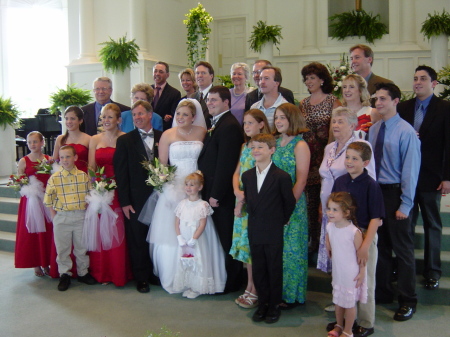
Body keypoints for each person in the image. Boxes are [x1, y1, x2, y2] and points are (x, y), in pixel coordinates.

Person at [369, 82, 420, 321]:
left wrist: (405, 204)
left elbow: (410, 171)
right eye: (376, 99)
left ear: (395, 101)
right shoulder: (375, 129)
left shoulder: (406, 131)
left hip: (396, 193)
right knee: (380, 247)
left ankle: (408, 300)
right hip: (378, 193)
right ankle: (384, 292)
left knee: (403, 251)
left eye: (383, 99)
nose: (378, 103)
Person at [398, 65, 450, 290]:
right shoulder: (403, 107)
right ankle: (404, 268)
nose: (417, 82)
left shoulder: (445, 108)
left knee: (432, 224)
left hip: (432, 176)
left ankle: (433, 271)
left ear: (434, 83)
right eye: (415, 78)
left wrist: (447, 177)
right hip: (406, 176)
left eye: (423, 79)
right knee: (406, 224)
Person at [147, 99, 207, 294]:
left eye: (185, 114)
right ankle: (173, 273)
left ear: (194, 117)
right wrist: (165, 185)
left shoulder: (202, 132)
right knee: (174, 231)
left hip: (195, 186)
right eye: (178, 114)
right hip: (174, 187)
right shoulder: (167, 135)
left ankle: (196, 276)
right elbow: (162, 164)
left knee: (197, 226)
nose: (181, 118)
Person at [329, 142, 385, 337]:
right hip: (341, 234)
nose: (349, 161)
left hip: (363, 235)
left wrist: (365, 247)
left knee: (364, 279)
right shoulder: (340, 181)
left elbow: (375, 219)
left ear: (366, 162)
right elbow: (333, 209)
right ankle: (344, 320)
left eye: (355, 158)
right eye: (347, 157)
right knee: (345, 277)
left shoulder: (371, 185)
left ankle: (366, 321)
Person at [242, 133, 296, 324]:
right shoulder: (247, 176)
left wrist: (279, 221)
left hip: (273, 229)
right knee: (259, 268)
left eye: (260, 147)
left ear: (272, 150)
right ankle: (263, 303)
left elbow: (288, 203)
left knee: (273, 267)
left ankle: (274, 305)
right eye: (253, 147)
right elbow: (249, 202)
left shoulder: (281, 176)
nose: (255, 150)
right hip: (255, 229)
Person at [198, 85, 245, 293]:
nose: (210, 103)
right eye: (208, 100)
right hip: (212, 191)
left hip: (222, 196)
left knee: (226, 238)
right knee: (219, 237)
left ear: (227, 102)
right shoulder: (217, 123)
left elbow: (226, 164)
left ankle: (233, 281)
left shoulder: (230, 126)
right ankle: (225, 277)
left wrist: (215, 194)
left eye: (214, 100)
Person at [317, 107, 375, 274]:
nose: (335, 125)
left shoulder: (361, 146)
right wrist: (323, 205)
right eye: (334, 121)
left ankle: (352, 297)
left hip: (351, 211)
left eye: (340, 121)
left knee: (350, 259)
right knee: (336, 257)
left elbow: (369, 178)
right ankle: (340, 296)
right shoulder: (329, 147)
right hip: (331, 209)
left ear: (352, 125)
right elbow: (325, 177)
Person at [113, 100, 163, 293]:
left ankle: (154, 273)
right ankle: (141, 277)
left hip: (161, 197)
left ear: (150, 115)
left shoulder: (162, 137)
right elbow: (121, 172)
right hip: (136, 199)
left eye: (141, 114)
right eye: (134, 115)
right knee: (138, 238)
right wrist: (124, 201)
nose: (137, 118)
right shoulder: (125, 140)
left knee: (157, 236)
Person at [86, 103, 133, 287]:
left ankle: (119, 272)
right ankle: (102, 271)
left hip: (120, 188)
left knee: (118, 229)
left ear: (119, 120)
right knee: (102, 229)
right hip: (101, 189)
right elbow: (91, 166)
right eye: (103, 117)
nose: (106, 120)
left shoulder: (126, 138)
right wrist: (96, 186)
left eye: (110, 117)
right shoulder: (94, 139)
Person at [231, 109, 271, 309]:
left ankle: (256, 289)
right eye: (244, 123)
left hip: (254, 204)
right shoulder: (244, 146)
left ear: (261, 124)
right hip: (242, 200)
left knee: (253, 249)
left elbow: (259, 174)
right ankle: (249, 285)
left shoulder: (263, 146)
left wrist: (243, 199)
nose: (246, 127)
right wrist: (237, 192)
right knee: (245, 249)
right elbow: (237, 172)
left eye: (250, 123)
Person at [271, 103, 310, 308]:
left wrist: (287, 208)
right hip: (272, 205)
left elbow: (301, 181)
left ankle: (291, 295)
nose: (278, 121)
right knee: (277, 251)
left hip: (292, 206)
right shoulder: (275, 141)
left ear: (292, 119)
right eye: (276, 117)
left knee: (291, 251)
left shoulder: (300, 145)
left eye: (282, 118)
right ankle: (276, 291)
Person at [300, 62, 341, 252]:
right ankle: (311, 243)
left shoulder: (333, 101)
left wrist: (330, 156)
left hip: (324, 157)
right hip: (307, 158)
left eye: (312, 78)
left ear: (322, 80)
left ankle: (323, 246)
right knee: (309, 204)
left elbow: (334, 132)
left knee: (322, 203)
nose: (309, 81)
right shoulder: (304, 103)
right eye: (307, 78)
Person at [43, 145, 97, 291]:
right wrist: (55, 219)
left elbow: (89, 197)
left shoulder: (83, 176)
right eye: (62, 157)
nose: (65, 160)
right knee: (63, 249)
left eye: (68, 156)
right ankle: (65, 274)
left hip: (80, 216)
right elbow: (48, 201)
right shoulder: (54, 178)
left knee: (81, 247)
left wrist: (85, 214)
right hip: (62, 218)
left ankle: (83, 272)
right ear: (58, 159)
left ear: (75, 158)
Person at [172, 171, 226, 298]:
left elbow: (202, 224)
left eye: (192, 185)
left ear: (200, 187)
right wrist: (179, 236)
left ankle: (197, 287)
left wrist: (194, 238)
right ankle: (189, 284)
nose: (188, 188)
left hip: (196, 238)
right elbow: (176, 222)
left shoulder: (203, 205)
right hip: (184, 238)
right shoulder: (182, 204)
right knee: (185, 261)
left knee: (197, 260)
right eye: (187, 184)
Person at [325, 192, 367, 337]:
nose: (330, 212)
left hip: (351, 273)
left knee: (349, 304)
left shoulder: (354, 232)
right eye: (329, 208)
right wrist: (327, 244)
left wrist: (362, 272)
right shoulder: (330, 226)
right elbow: (328, 241)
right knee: (338, 300)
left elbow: (361, 256)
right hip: (338, 271)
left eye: (335, 209)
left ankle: (348, 330)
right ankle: (338, 324)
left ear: (347, 212)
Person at [14, 131, 53, 277]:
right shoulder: (24, 160)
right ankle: (36, 263)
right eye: (29, 142)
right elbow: (20, 182)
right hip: (31, 201)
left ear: (42, 143)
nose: (32, 145)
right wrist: (28, 188)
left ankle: (47, 262)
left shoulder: (48, 159)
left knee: (47, 231)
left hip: (46, 199)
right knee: (33, 233)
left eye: (35, 141)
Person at [53, 106, 91, 173]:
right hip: (64, 177)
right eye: (66, 119)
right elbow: (55, 162)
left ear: (80, 121)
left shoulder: (88, 139)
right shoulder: (60, 139)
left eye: (72, 119)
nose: (69, 121)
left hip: (82, 177)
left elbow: (91, 164)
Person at [341, 74, 376, 139]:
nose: (347, 90)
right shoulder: (338, 113)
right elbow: (332, 141)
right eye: (344, 87)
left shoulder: (371, 112)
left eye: (351, 87)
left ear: (360, 91)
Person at [151, 61, 182, 131]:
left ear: (167, 75)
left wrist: (167, 118)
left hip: (164, 130)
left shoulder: (174, 93)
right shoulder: (147, 90)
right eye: (155, 71)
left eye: (161, 72)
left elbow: (174, 116)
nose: (157, 74)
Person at [194, 61, 215, 127]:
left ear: (211, 76)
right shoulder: (192, 97)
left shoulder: (217, 95)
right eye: (197, 73)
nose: (200, 76)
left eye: (203, 73)